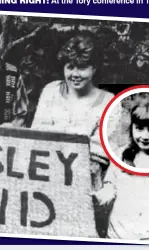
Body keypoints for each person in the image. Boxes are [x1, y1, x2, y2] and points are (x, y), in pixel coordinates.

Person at [31, 31, 118, 189]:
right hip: (44, 176)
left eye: (83, 68)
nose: (75, 74)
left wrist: (57, 136)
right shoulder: (51, 91)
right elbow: (36, 136)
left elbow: (100, 154)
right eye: (70, 67)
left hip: (85, 181)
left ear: (94, 69)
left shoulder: (108, 102)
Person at [91, 96, 149, 241]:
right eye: (139, 128)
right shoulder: (120, 155)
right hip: (117, 237)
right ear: (131, 128)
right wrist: (96, 179)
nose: (145, 136)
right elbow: (108, 191)